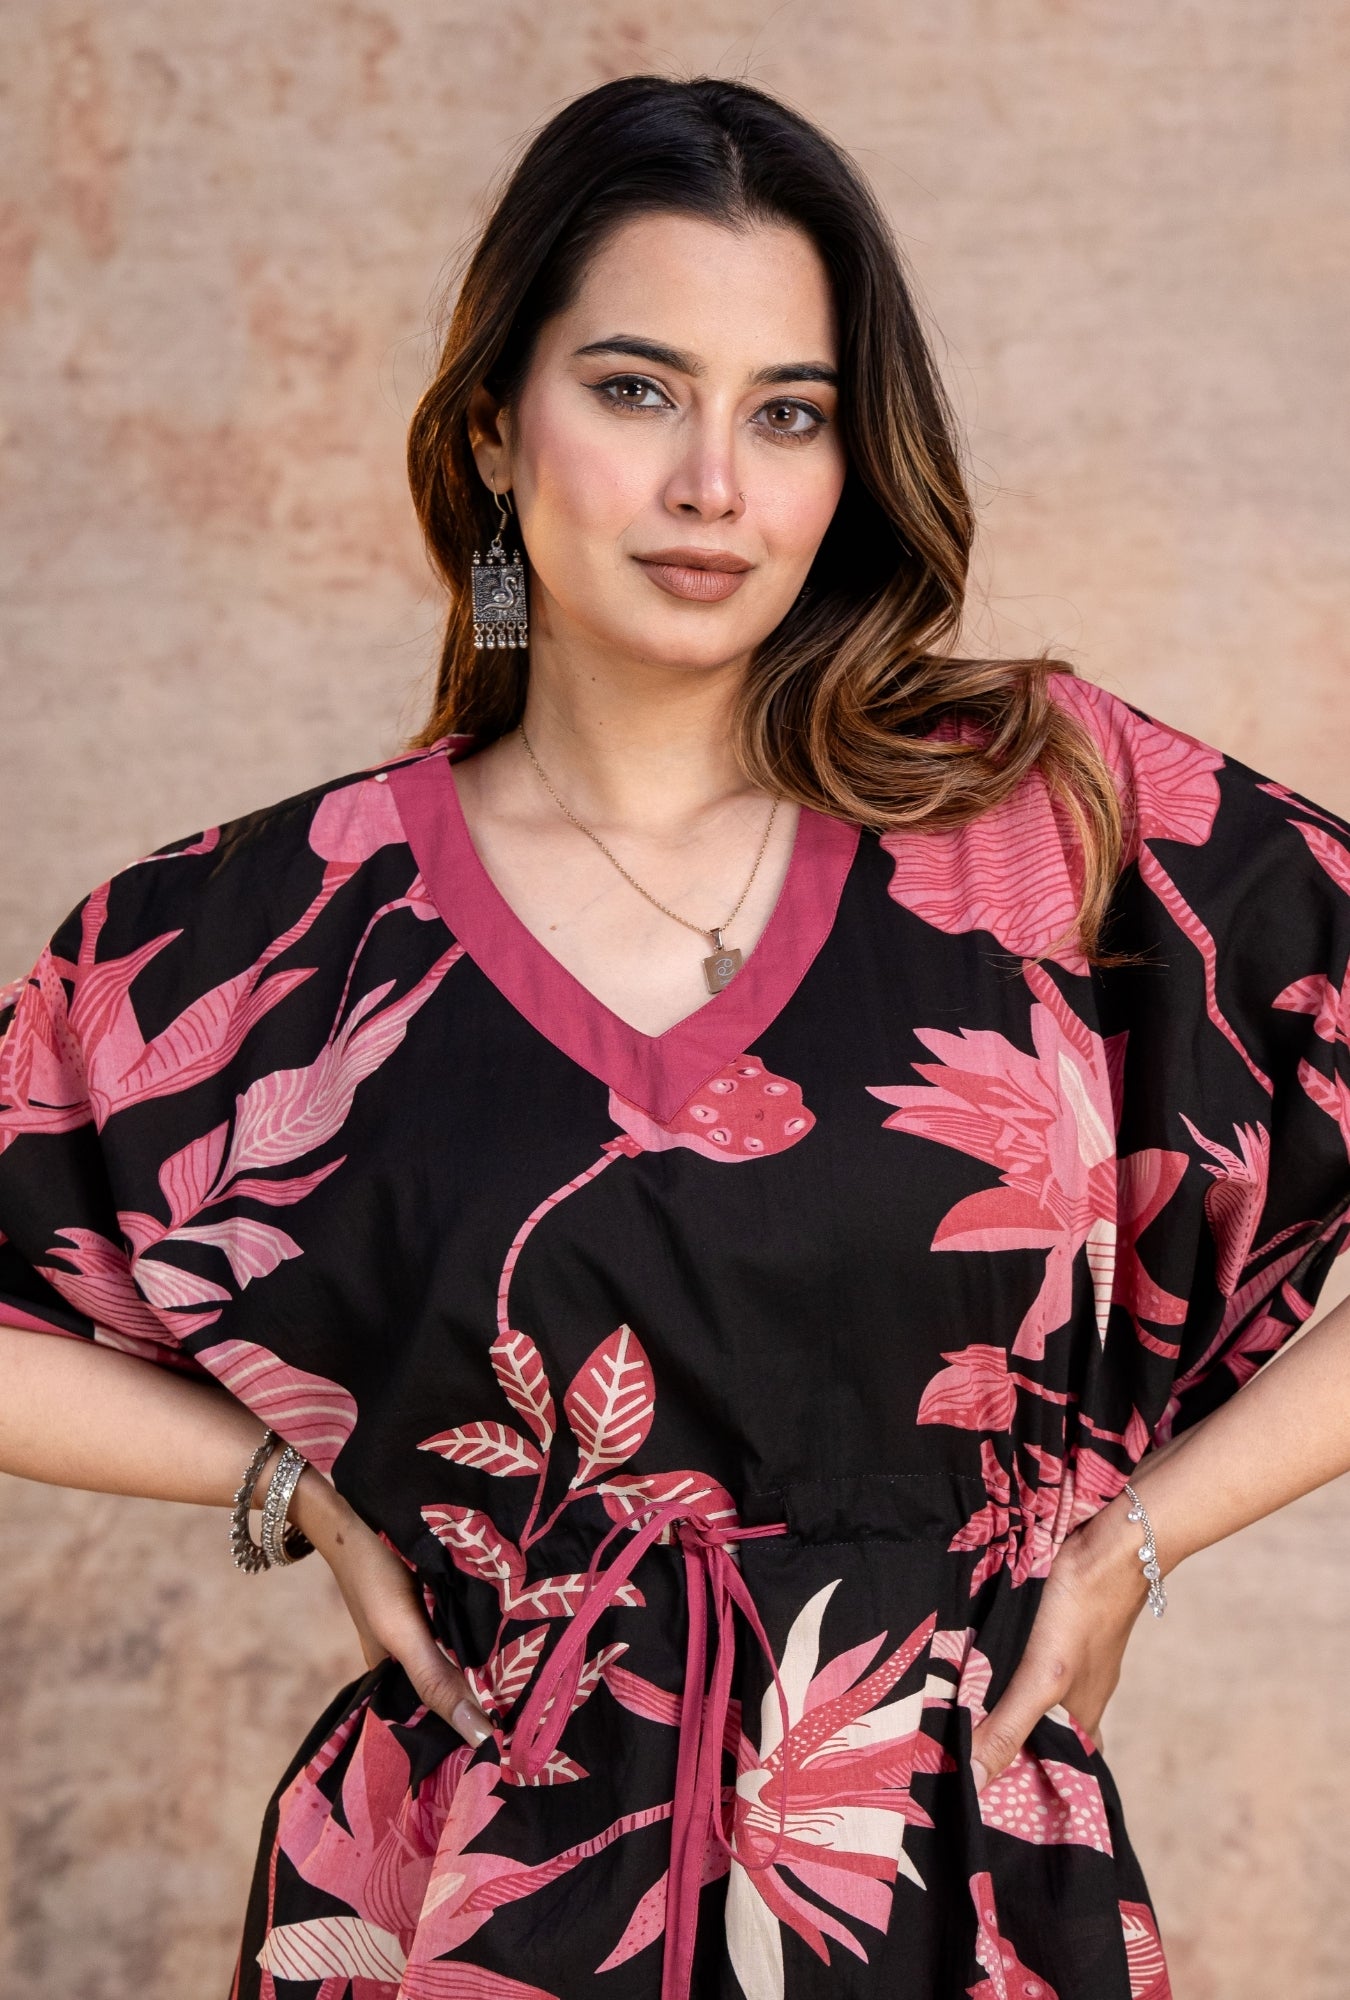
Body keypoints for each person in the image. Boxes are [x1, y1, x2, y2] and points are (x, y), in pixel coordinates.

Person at [1, 72, 1348, 2000]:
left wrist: (1137, 1537)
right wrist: (297, 1490)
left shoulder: (1049, 825)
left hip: (937, 1887)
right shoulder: (275, 929)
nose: (713, 482)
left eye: (786, 411)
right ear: (492, 427)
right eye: (636, 390)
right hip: (459, 1899)